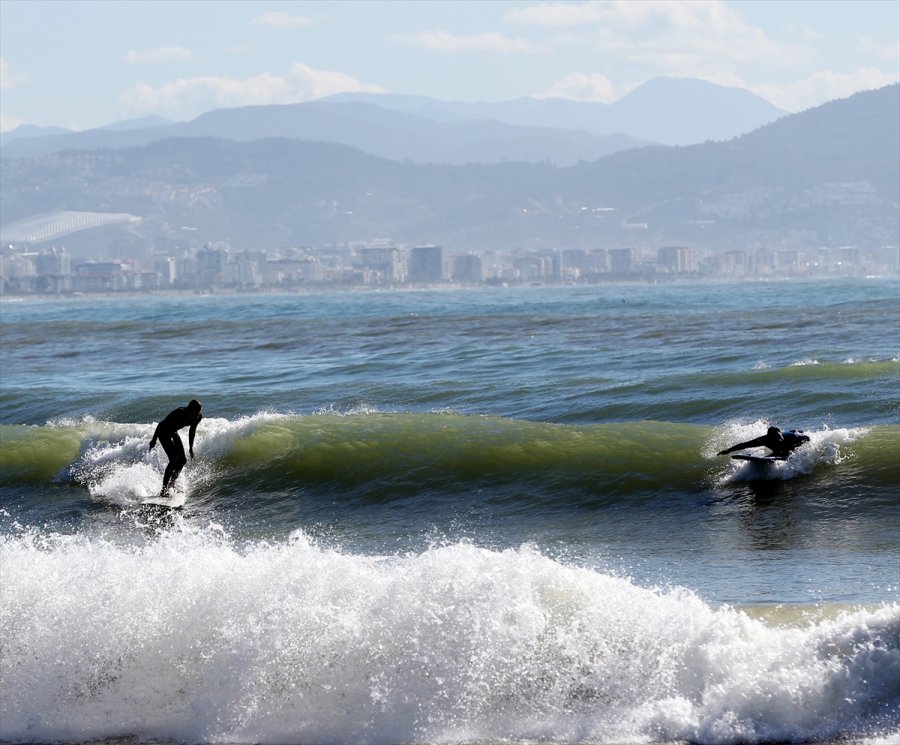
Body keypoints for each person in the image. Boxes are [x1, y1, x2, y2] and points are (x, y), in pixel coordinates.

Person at [149, 399, 203, 496]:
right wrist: (154, 440)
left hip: (173, 432)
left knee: (182, 460)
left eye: (198, 411)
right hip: (163, 432)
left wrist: (191, 448)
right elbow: (161, 424)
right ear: (189, 409)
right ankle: (163, 489)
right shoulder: (179, 413)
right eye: (195, 411)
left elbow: (192, 431)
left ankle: (172, 483)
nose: (196, 414)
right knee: (173, 460)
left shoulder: (197, 417)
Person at [717, 426, 809, 458]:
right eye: (776, 438)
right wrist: (728, 450)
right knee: (780, 451)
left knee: (790, 449)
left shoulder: (788, 437)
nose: (779, 439)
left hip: (795, 434)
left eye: (779, 437)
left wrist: (798, 447)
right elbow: (745, 444)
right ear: (770, 437)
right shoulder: (764, 440)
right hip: (783, 445)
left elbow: (807, 438)